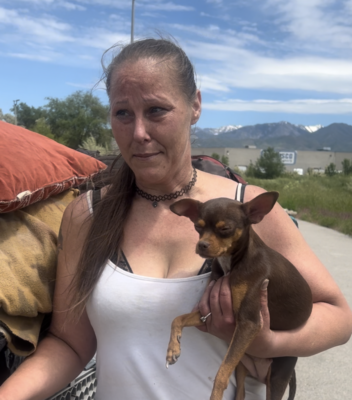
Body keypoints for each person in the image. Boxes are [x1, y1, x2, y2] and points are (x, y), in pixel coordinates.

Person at [0, 38, 351, 400]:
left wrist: (268, 342)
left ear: (195, 106)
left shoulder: (246, 208)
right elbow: (70, 345)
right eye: (123, 113)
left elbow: (338, 318)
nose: (139, 133)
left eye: (156, 110)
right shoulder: (88, 215)